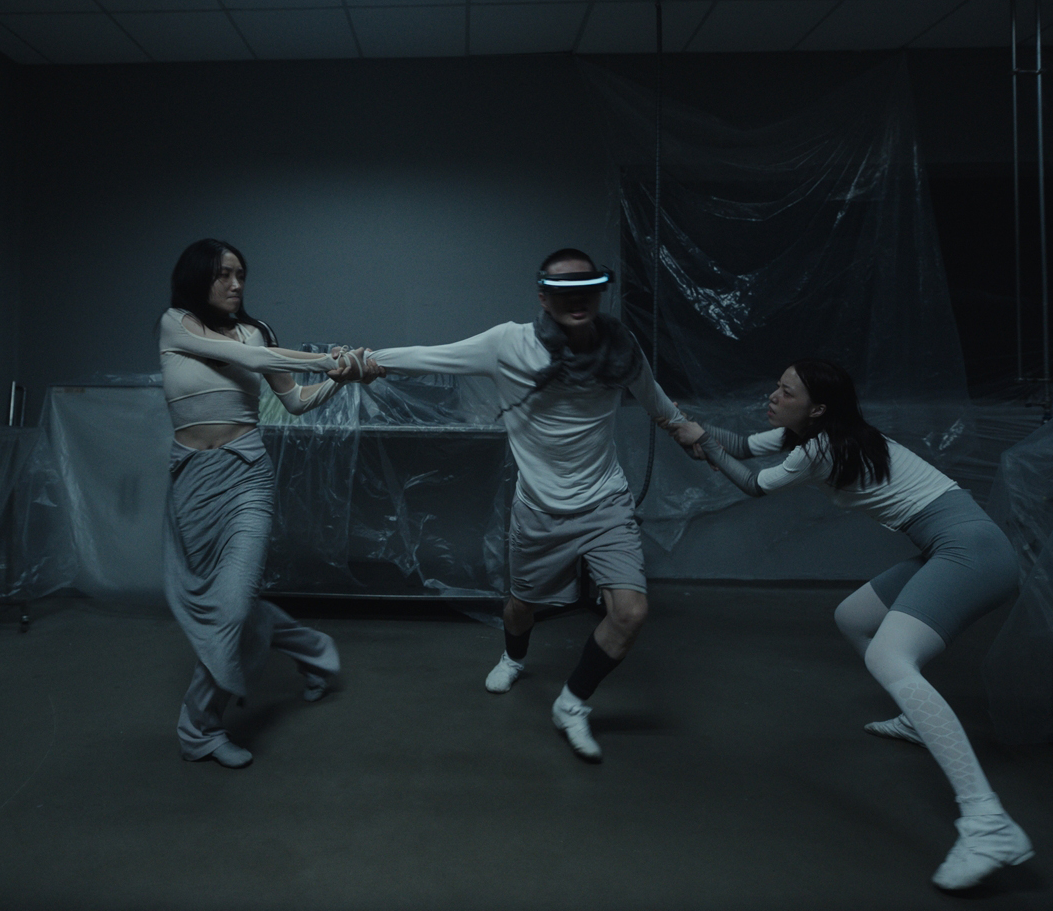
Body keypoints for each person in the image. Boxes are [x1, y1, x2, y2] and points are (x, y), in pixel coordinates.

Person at [665, 359, 1030, 890]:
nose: (773, 396)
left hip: (973, 551)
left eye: (786, 392)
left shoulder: (822, 448)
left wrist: (702, 443)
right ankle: (917, 718)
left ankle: (988, 823)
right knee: (855, 618)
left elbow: (753, 483)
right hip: (952, 546)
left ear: (816, 408)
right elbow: (741, 447)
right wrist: (687, 426)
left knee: (889, 655)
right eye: (776, 386)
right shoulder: (812, 434)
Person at [371, 249, 688, 762]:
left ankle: (572, 702)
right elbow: (430, 355)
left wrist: (684, 427)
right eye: (563, 290)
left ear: (599, 291)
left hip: (605, 502)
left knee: (630, 613)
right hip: (540, 510)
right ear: (543, 297)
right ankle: (514, 658)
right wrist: (365, 362)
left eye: (587, 288)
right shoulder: (508, 345)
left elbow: (654, 399)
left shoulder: (620, 347)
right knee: (522, 608)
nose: (577, 299)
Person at [159, 238, 376, 769]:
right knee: (230, 601)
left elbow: (295, 401)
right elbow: (249, 359)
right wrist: (328, 359)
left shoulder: (256, 331)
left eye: (241, 275)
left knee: (232, 608)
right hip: (191, 482)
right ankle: (315, 653)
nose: (236, 284)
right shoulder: (176, 324)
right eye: (224, 274)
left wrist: (339, 378)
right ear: (197, 278)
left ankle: (199, 730)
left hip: (247, 479)